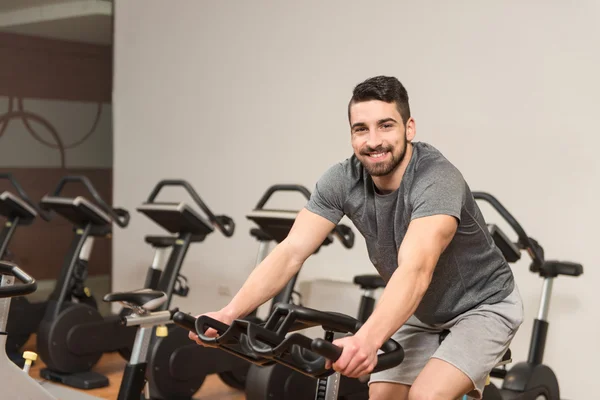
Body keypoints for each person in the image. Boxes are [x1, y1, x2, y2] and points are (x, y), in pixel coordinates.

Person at [189, 76, 524, 400]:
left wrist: (366, 340)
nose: (373, 140)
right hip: (421, 311)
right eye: (361, 129)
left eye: (386, 125)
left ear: (409, 128)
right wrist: (229, 314)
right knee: (382, 396)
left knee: (426, 396)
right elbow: (291, 251)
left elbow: (416, 270)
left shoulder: (437, 180)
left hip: (484, 306)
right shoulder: (341, 179)